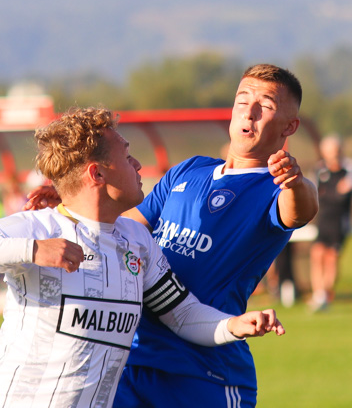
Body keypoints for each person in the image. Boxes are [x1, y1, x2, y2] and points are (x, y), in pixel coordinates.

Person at [0, 107, 284, 408]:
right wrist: (30, 249)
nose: (138, 164)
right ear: (98, 173)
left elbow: (182, 313)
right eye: (126, 156)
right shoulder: (38, 227)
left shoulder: (137, 241)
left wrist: (232, 326)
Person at [108, 63, 318, 407]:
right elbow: (120, 230)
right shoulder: (190, 169)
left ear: (289, 126)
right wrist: (69, 208)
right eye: (241, 100)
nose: (248, 112)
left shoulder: (273, 188)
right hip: (133, 359)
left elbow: (301, 210)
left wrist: (296, 181)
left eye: (265, 106)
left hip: (204, 370)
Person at [309, 133, 352, 312]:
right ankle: (318, 295)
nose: (333, 155)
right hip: (322, 218)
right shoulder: (320, 170)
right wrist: (330, 193)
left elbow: (342, 194)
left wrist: (328, 193)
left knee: (331, 258)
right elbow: (316, 193)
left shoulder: (350, 168)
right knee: (317, 254)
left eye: (336, 151)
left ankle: (326, 295)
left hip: (340, 220)